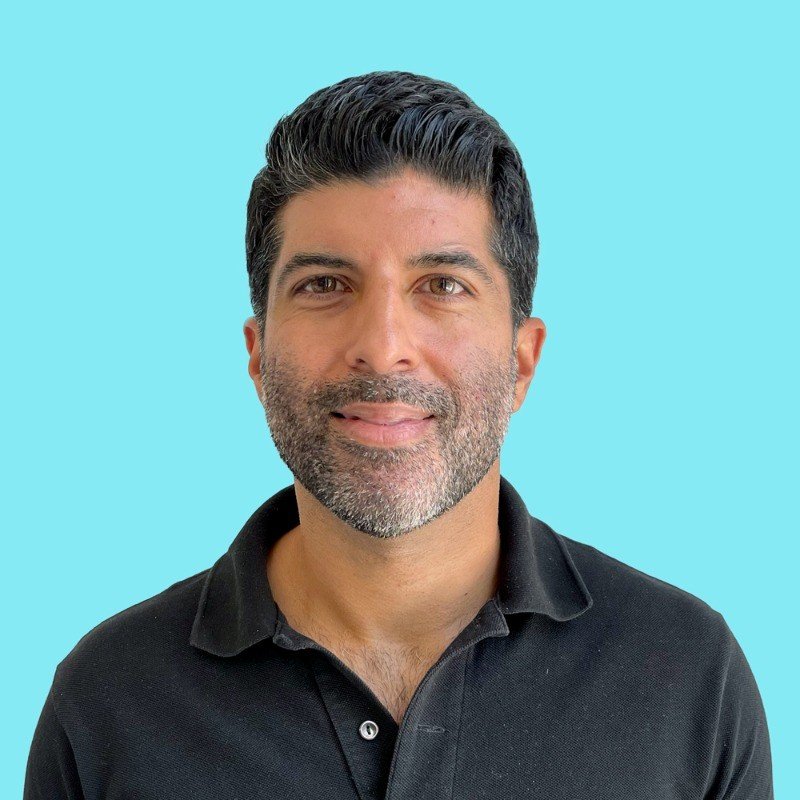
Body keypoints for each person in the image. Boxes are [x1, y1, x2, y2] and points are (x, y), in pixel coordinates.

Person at [24, 70, 773, 799]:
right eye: (324, 285)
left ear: (522, 358)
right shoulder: (108, 703)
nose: (383, 346)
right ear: (257, 354)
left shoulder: (688, 677)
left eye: (442, 286)